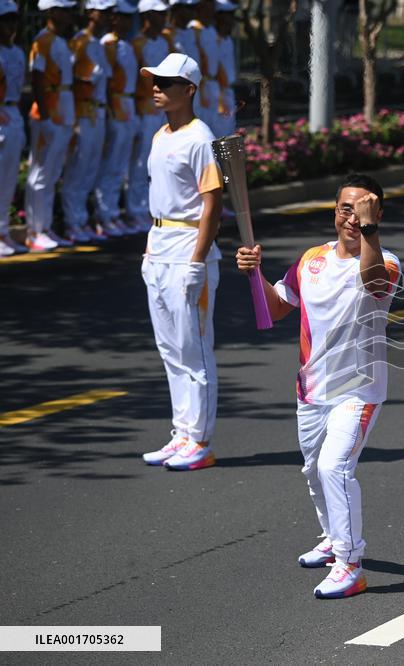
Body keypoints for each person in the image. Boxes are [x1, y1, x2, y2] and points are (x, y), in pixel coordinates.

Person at [235, 174, 402, 599]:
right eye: (346, 208)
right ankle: (332, 537)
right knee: (313, 470)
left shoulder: (387, 262)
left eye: (363, 209)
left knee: (334, 467)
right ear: (334, 213)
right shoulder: (311, 259)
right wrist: (254, 275)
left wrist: (369, 232)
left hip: (358, 390)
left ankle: (350, 563)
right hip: (311, 389)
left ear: (377, 215)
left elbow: (373, 284)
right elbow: (275, 309)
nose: (353, 216)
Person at [138, 53, 222, 471]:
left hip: (189, 249)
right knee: (171, 349)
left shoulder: (200, 137)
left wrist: (197, 261)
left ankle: (201, 442)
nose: (157, 88)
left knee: (195, 351)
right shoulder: (160, 135)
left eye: (167, 83)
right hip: (159, 246)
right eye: (155, 81)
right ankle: (183, 433)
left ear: (189, 90)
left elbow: (212, 204)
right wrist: (149, 251)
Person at [60, 0, 113, 244]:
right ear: (91, 13)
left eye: (110, 12)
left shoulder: (98, 44)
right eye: (103, 12)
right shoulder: (79, 42)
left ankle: (82, 219)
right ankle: (73, 222)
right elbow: (71, 81)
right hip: (82, 113)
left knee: (91, 168)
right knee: (78, 169)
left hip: (98, 113)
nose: (108, 17)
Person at [25, 0, 76, 252]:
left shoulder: (60, 42)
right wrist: (44, 117)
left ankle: (44, 227)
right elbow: (36, 79)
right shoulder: (41, 41)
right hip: (48, 114)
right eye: (65, 10)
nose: (69, 15)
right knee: (40, 174)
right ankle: (34, 230)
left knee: (53, 173)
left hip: (63, 113)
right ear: (53, 12)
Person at [94, 0, 142, 236]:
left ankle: (114, 212)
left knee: (121, 164)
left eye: (128, 17)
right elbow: (107, 81)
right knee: (111, 163)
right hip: (116, 107)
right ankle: (105, 215)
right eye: (120, 17)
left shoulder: (126, 45)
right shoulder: (108, 44)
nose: (125, 21)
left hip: (129, 105)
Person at [127, 0, 171, 230]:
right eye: (158, 14)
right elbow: (131, 80)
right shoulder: (136, 44)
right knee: (140, 162)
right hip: (142, 108)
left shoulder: (164, 41)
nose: (164, 18)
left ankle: (150, 209)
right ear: (147, 15)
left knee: (159, 162)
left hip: (162, 110)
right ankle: (134, 210)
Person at [0, 0, 27, 256]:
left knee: (8, 179)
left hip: (12, 112)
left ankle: (3, 231)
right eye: (5, 20)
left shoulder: (17, 52)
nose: (10, 25)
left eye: (12, 20)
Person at [187, 0, 217, 135]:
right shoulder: (193, 28)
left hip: (212, 84)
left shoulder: (210, 29)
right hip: (199, 83)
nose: (212, 7)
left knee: (213, 128)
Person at [213, 0, 235, 138]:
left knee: (228, 135)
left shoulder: (228, 40)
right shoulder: (213, 39)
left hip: (228, 93)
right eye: (227, 14)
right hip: (217, 94)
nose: (231, 18)